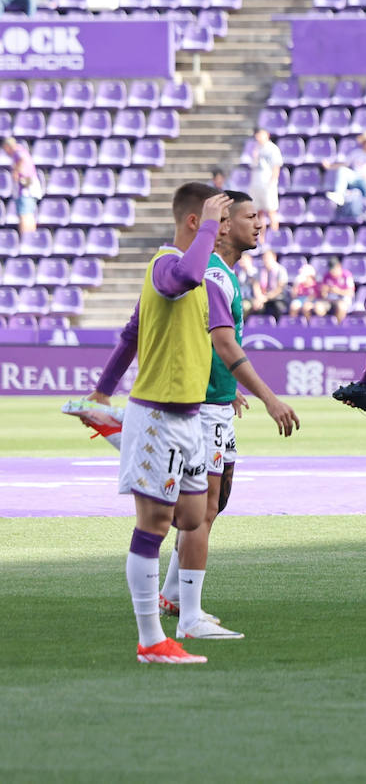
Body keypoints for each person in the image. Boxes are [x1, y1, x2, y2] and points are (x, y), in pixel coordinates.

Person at [92, 191, 300, 641]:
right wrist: (266, 397)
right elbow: (220, 342)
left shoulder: (218, 274)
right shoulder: (191, 269)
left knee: (205, 508)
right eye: (244, 217)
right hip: (186, 409)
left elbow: (155, 334)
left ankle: (174, 602)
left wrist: (229, 391)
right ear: (208, 223)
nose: (257, 224)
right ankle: (179, 619)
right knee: (189, 514)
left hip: (208, 404)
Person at [88, 184, 230, 663]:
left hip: (189, 418)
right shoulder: (168, 264)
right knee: (154, 524)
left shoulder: (197, 276)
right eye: (215, 224)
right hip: (160, 416)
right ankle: (151, 640)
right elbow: (185, 274)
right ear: (195, 222)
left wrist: (102, 390)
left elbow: (133, 332)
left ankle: (118, 434)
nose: (221, 234)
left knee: (191, 518)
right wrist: (210, 224)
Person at [325, 131, 366, 207]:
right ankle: (339, 195)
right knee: (343, 170)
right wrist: (330, 166)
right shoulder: (356, 153)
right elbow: (345, 164)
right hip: (356, 177)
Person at [3, 136, 40, 234]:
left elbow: (22, 160)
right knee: (29, 214)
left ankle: (25, 238)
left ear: (7, 147)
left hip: (25, 188)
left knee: (24, 215)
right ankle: (30, 237)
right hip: (30, 187)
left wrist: (15, 171)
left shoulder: (17, 151)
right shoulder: (22, 150)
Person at [248, 129, 282, 231]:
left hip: (267, 185)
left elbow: (276, 167)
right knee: (258, 213)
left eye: (261, 134)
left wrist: (272, 183)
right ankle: (261, 239)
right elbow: (253, 166)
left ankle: (274, 237)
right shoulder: (256, 149)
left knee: (271, 211)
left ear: (267, 135)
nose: (259, 137)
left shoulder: (272, 149)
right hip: (256, 185)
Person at [253, 248, 290, 319]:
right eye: (264, 258)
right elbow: (256, 285)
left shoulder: (281, 270)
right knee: (257, 307)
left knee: (278, 307)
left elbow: (279, 289)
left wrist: (265, 298)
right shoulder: (260, 271)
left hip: (279, 298)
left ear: (274, 258)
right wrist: (259, 297)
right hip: (263, 298)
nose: (265, 260)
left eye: (268, 258)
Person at [316, 258, 355, 322]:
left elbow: (351, 293)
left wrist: (338, 291)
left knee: (341, 307)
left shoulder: (346, 275)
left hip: (342, 299)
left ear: (338, 266)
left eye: (334, 269)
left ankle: (338, 328)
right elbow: (323, 295)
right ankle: (324, 326)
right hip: (329, 300)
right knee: (319, 307)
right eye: (331, 269)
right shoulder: (327, 276)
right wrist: (324, 291)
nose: (332, 272)